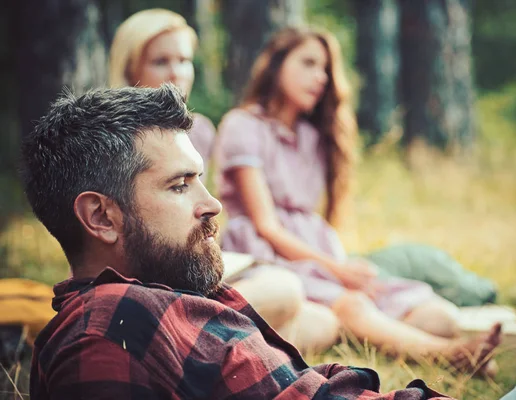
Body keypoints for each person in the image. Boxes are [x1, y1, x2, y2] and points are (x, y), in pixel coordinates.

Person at [24, 84, 460, 399]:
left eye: (201, 181)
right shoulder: (108, 328)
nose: (212, 204)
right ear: (101, 217)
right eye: (179, 186)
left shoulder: (161, 298)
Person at [214, 26, 499, 367]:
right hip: (266, 253)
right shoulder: (242, 125)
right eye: (308, 63)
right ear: (276, 64)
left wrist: (341, 265)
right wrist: (338, 270)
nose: (320, 77)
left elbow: (313, 221)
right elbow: (267, 226)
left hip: (315, 253)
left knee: (434, 315)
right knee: (353, 303)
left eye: (325, 70)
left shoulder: (312, 134)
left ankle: (405, 339)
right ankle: (448, 356)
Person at [107, 9, 307, 337]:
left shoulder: (199, 130)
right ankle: (175, 332)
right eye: (161, 61)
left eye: (184, 60)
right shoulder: (115, 136)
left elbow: (198, 212)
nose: (177, 73)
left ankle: (201, 344)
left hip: (189, 267)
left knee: (315, 318)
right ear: (131, 67)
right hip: (148, 277)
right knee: (285, 289)